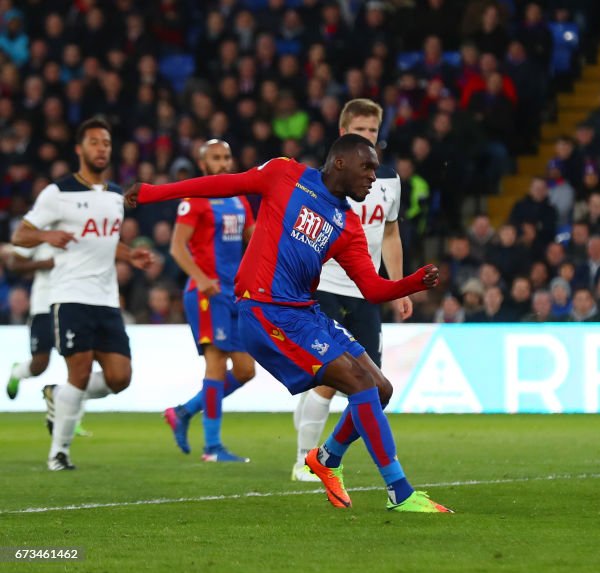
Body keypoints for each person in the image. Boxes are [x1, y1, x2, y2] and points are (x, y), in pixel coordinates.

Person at [126, 134, 452, 513]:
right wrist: (152, 192)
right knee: (359, 383)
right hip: (265, 312)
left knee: (380, 389)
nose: (373, 179)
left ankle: (327, 459)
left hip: (303, 312)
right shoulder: (284, 174)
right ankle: (400, 491)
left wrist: (412, 282)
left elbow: (373, 289)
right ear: (341, 163)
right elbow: (222, 184)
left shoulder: (347, 225)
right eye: (367, 168)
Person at [12, 117, 153, 471]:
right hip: (70, 295)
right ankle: (59, 452)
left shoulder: (115, 196)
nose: (101, 148)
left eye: (105, 143)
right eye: (94, 142)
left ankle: (58, 396)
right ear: (80, 149)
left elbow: (104, 241)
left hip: (106, 298)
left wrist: (128, 253)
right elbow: (20, 235)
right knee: (80, 370)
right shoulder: (58, 193)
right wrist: (46, 237)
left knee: (121, 377)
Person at [291, 99, 409, 482]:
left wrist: (397, 286)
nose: (368, 137)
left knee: (373, 387)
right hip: (325, 287)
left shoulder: (388, 180)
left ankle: (325, 456)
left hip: (366, 293)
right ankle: (303, 461)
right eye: (360, 131)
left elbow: (390, 234)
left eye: (373, 131)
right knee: (332, 379)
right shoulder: (327, 180)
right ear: (343, 133)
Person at [162, 139, 258, 463]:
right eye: (216, 158)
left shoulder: (240, 199)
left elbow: (253, 238)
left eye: (227, 157)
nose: (223, 163)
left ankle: (185, 411)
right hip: (206, 295)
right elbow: (177, 248)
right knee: (216, 364)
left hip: (235, 293)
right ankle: (213, 447)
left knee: (246, 371)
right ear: (203, 165)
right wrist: (201, 278)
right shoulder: (194, 201)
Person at [4, 243, 92, 436]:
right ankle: (17, 372)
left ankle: (73, 418)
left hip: (74, 305)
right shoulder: (40, 231)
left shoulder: (79, 232)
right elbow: (14, 263)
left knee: (81, 364)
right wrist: (46, 263)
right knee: (40, 364)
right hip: (44, 307)